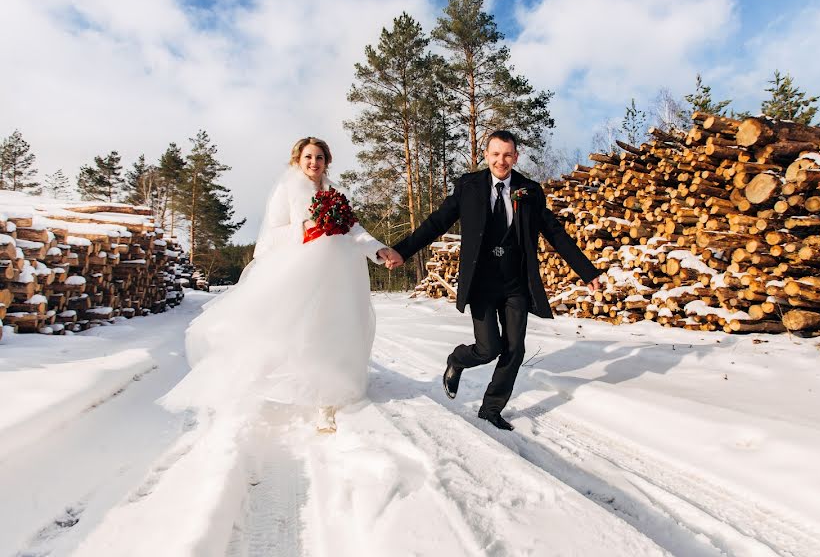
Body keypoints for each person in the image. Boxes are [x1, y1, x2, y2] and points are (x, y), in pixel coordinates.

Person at [162, 137, 397, 434]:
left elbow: (354, 229)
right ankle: (271, 385)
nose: (314, 162)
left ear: (327, 161)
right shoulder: (287, 189)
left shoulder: (335, 193)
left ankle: (328, 397)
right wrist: (306, 228)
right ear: (297, 160)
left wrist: (379, 250)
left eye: (320, 157)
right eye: (308, 157)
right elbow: (272, 235)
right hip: (301, 271)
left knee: (334, 329)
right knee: (299, 332)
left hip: (338, 274)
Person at [386, 130, 601, 431]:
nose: (502, 160)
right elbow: (436, 223)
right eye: (496, 154)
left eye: (508, 154)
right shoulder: (469, 187)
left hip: (515, 283)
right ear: (485, 155)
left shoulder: (530, 190)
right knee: (488, 348)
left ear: (516, 156)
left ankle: (491, 408)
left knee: (515, 349)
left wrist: (587, 271)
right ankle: (458, 360)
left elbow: (555, 232)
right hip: (482, 283)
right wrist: (402, 250)